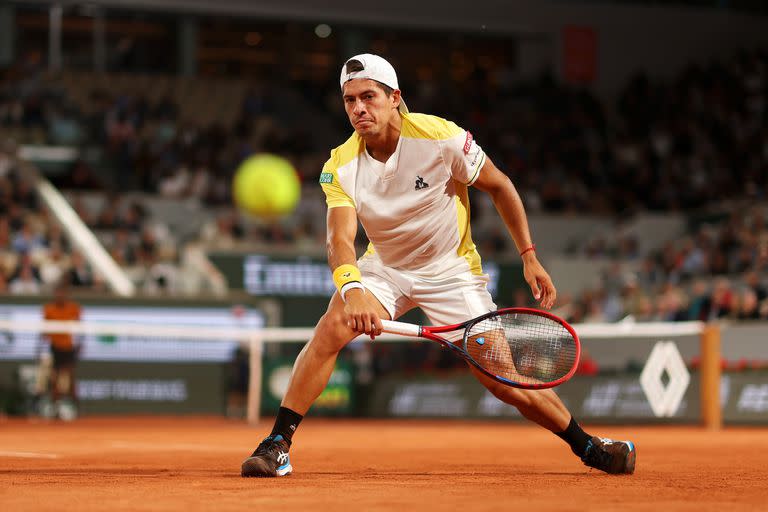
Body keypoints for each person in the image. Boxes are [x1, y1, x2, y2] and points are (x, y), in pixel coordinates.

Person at [242, 54, 636, 477]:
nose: (358, 108)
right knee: (332, 326)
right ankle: (278, 443)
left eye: (368, 97)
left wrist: (528, 256)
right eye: (349, 100)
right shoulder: (339, 164)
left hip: (452, 272)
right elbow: (339, 240)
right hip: (385, 270)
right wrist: (353, 290)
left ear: (395, 98)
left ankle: (589, 446)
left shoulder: (441, 137)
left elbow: (500, 186)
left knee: (501, 381)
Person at [42, 280, 82, 418]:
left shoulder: (74, 308)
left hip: (68, 349)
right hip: (55, 349)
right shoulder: (48, 309)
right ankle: (55, 408)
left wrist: (80, 344)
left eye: (63, 293)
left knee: (70, 378)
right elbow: (44, 331)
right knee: (54, 380)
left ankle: (75, 407)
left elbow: (80, 328)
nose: (60, 295)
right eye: (58, 293)